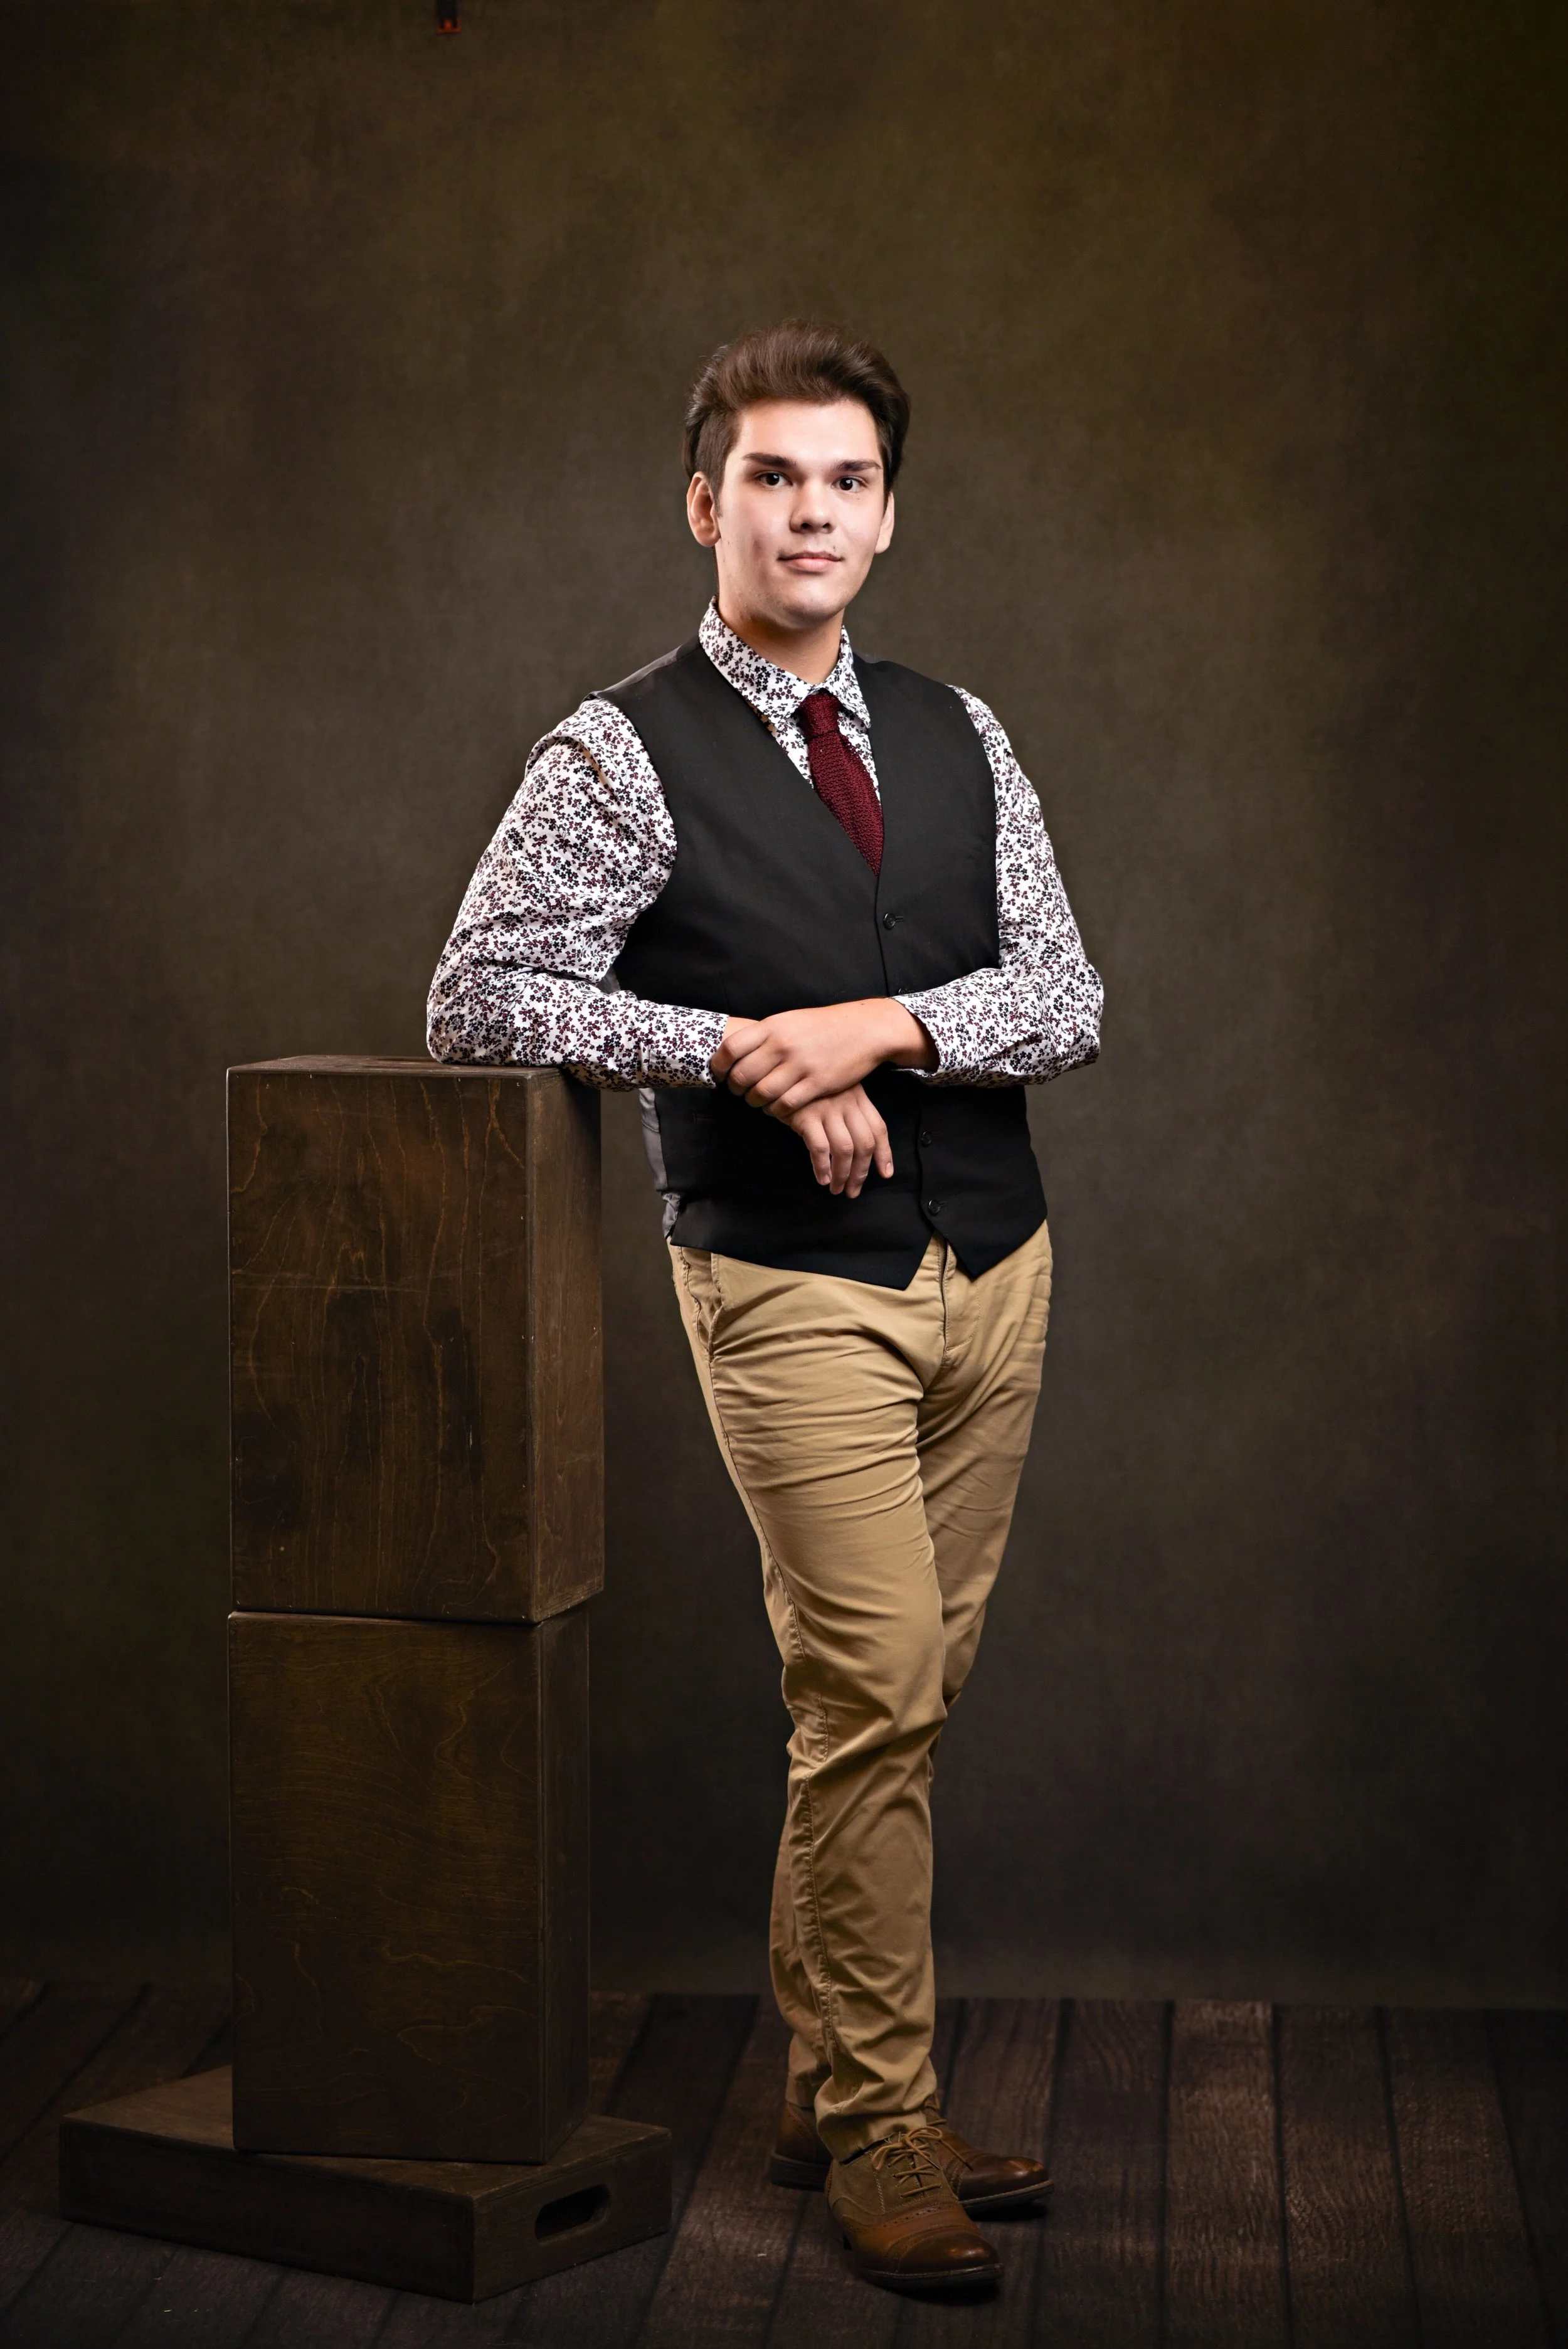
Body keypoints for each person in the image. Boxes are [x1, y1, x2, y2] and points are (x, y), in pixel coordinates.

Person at [427, 320, 1103, 2296]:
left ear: (885, 518)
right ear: (703, 501)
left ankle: (834, 2081)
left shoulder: (960, 730)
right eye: (773, 477)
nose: (810, 511)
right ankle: (882, 2128)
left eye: (847, 481)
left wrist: (866, 1030)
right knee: (871, 1687)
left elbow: (1062, 998)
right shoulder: (617, 750)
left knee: (899, 1703)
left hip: (996, 1267)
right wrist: (738, 1053)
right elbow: (482, 996)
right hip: (789, 1286)